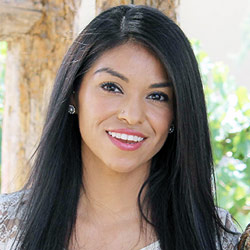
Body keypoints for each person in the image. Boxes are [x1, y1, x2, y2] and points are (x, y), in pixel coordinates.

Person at [0, 4, 241, 250]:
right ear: (74, 93)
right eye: (112, 87)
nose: (132, 115)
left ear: (177, 115)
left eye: (157, 96)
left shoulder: (217, 241)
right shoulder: (6, 227)